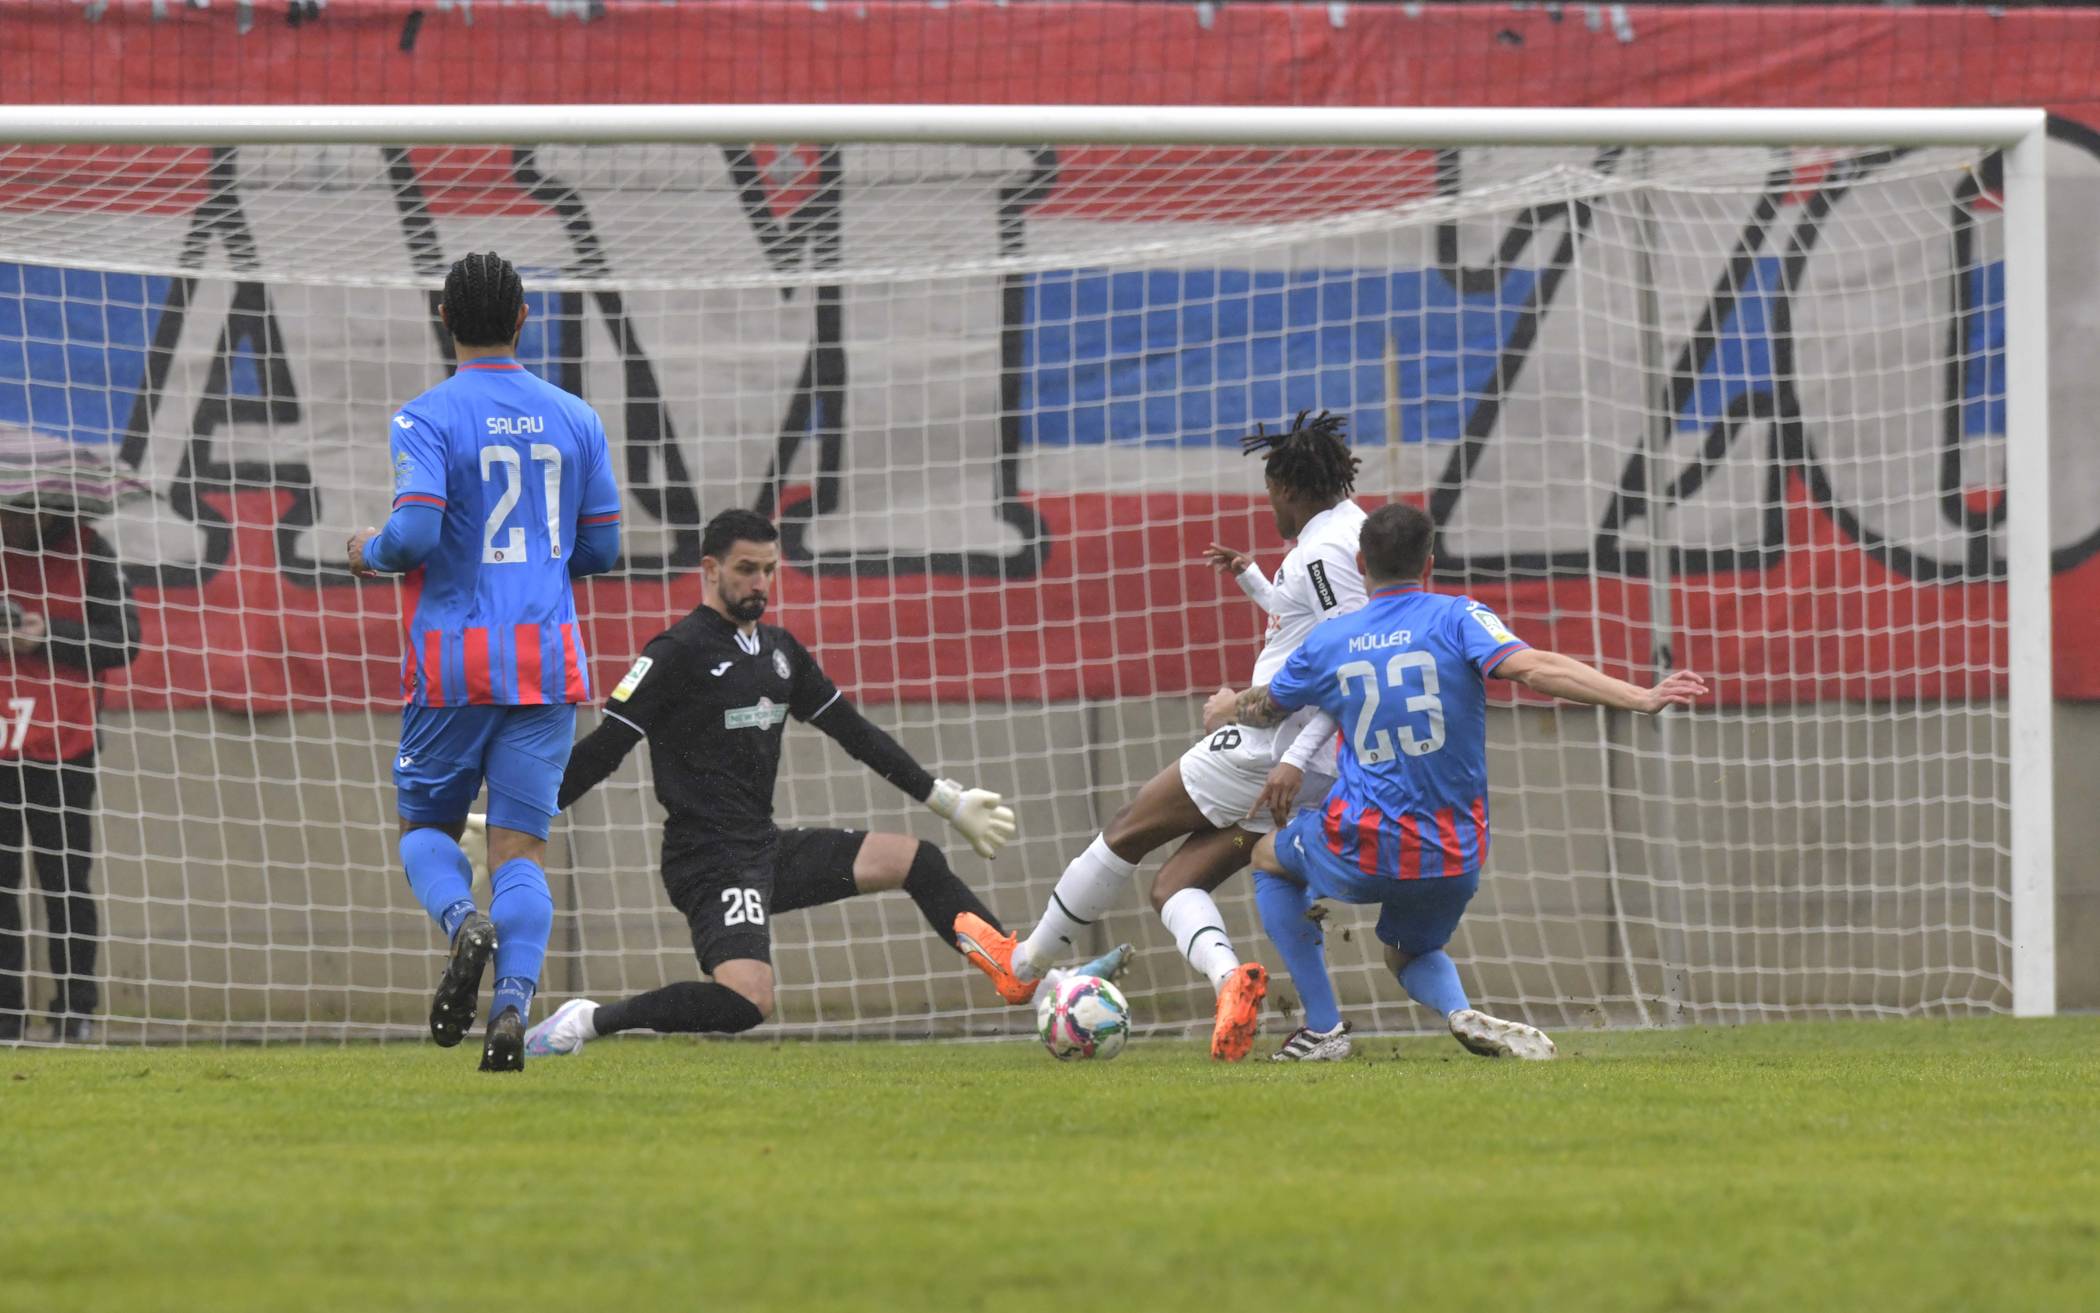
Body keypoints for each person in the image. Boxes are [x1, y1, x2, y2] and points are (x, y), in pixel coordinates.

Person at [518, 508, 1047, 1057]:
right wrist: (521, 817)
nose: (760, 583)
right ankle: (588, 1020)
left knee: (918, 860)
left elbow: (855, 733)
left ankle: (1018, 971)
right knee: (748, 1001)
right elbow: (604, 750)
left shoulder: (780, 651)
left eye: (768, 570)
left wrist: (944, 800)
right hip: (708, 860)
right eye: (746, 569)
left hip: (764, 848)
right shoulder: (676, 653)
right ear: (710, 569)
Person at [1217, 501, 1708, 1061]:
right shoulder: (1460, 618)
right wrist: (1639, 696)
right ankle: (1457, 1010)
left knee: (1267, 857)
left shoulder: (1331, 641)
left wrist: (1230, 705)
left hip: (1364, 841)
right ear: (1428, 564)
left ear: (1360, 563)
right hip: (1454, 851)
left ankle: (1323, 1028)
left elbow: (1267, 707)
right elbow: (1536, 667)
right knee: (1408, 952)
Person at [955, 410, 1364, 1062]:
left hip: (1268, 750)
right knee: (1173, 886)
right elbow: (1309, 625)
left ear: (1289, 487)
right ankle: (1231, 983)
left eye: (1270, 492)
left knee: (1127, 830)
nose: (1269, 506)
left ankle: (1024, 966)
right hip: (1303, 769)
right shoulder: (1348, 531)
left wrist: (1245, 713)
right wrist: (1253, 577)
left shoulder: (1322, 553)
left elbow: (1352, 660)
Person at [347, 251, 622, 1073]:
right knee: (521, 849)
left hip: (454, 664)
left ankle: (463, 921)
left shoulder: (425, 417)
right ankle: (511, 1010)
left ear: (444, 319)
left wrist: (368, 549)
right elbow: (601, 548)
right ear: (523, 318)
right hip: (549, 659)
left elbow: (415, 535)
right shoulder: (576, 418)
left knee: (425, 829)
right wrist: (539, 557)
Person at [0, 434, 142, 1045]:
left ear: (50, 505)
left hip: (66, 746)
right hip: (2, 744)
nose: (13, 520)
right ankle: (6, 1015)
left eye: (23, 510)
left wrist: (45, 635)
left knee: (64, 883)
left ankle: (75, 1011)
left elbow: (124, 640)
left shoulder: (91, 551)